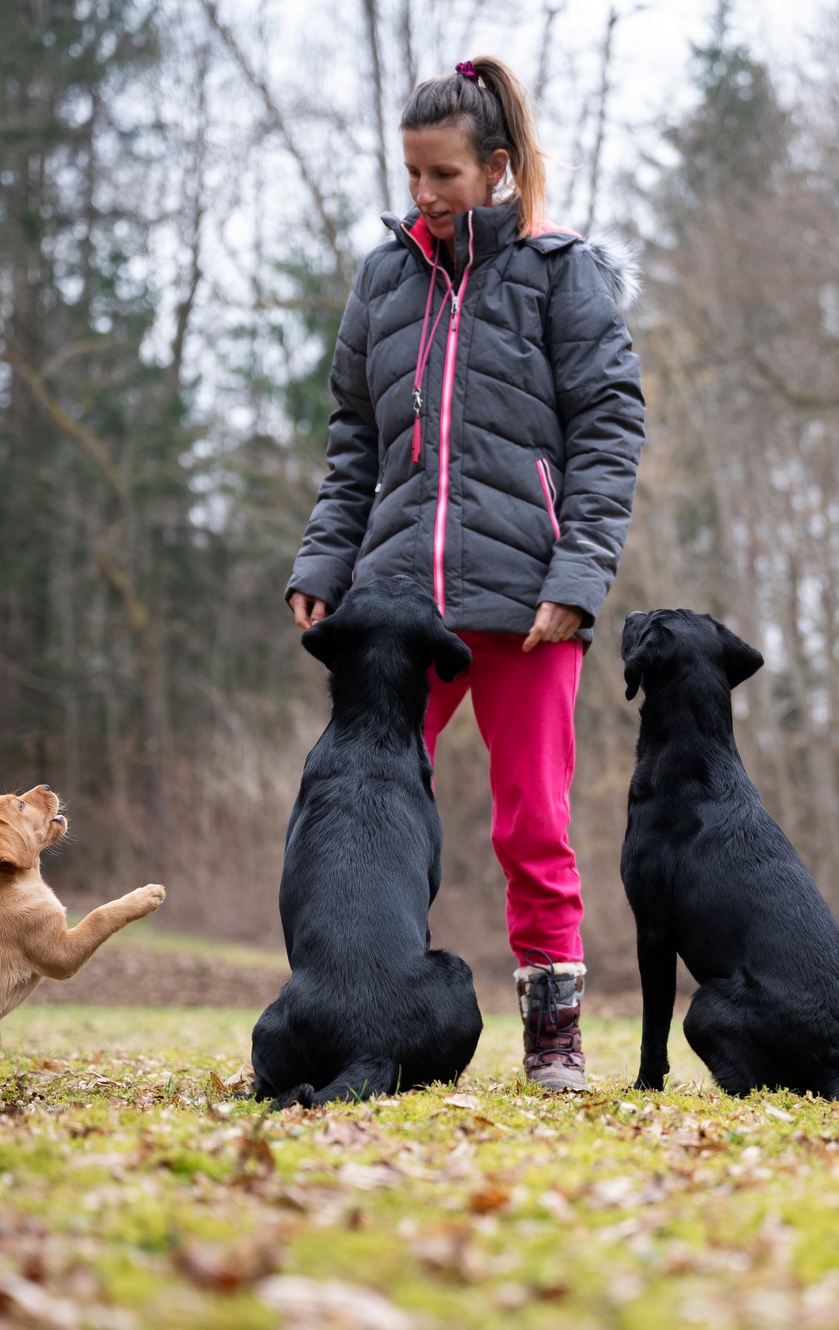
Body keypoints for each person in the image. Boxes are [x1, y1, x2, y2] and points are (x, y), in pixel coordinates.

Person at [285, 56, 644, 1091]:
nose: (424, 197)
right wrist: (325, 559)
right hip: (394, 606)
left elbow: (609, 431)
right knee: (361, 816)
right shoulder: (383, 277)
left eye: (442, 175)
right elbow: (355, 436)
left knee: (531, 822)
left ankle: (553, 1038)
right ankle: (356, 1014)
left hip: (528, 602)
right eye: (410, 176)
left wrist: (575, 577)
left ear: (495, 166)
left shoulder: (557, 272)